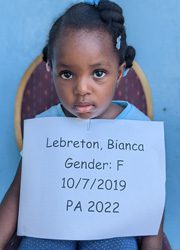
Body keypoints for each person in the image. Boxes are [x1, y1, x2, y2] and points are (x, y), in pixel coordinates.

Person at [0, 1, 164, 249]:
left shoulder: (138, 129)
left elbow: (152, 206)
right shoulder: (46, 127)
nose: (81, 89)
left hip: (113, 232)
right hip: (49, 228)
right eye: (67, 74)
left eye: (98, 73)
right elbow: (16, 195)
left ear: (119, 73)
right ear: (50, 69)